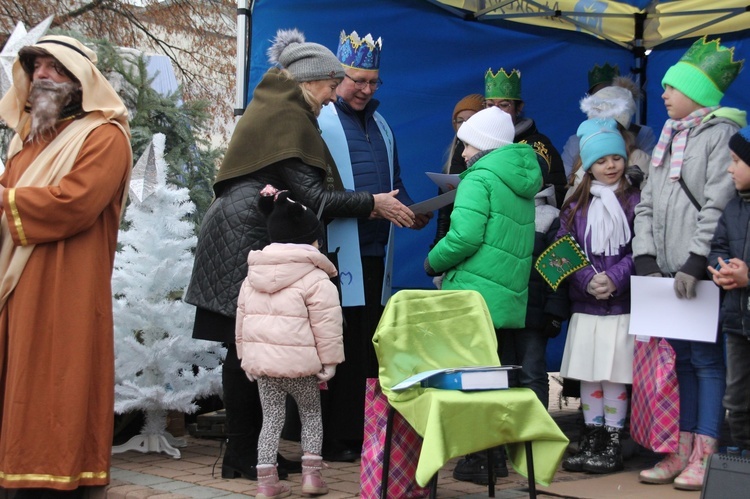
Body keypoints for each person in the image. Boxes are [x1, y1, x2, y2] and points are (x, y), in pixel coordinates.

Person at [184, 28, 416, 480]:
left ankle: (252, 454)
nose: (333, 97)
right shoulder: (289, 118)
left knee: (249, 351)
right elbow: (314, 197)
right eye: (332, 86)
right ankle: (242, 456)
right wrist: (373, 203)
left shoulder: (278, 107)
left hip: (242, 232)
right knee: (247, 353)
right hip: (244, 239)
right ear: (309, 81)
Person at [0, 35, 132, 496]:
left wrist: (4, 201)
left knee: (59, 380)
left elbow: (73, 204)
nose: (42, 74)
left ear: (79, 79)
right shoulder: (27, 142)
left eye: (55, 66)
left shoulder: (104, 136)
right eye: (36, 65)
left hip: (66, 286)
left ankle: (58, 481)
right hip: (15, 287)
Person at [633, 36, 745, 490]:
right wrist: (644, 253)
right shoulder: (667, 135)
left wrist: (698, 260)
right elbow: (647, 202)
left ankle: (706, 450)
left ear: (697, 93)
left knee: (706, 359)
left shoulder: (721, 137)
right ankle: (679, 449)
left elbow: (716, 204)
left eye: (671, 88)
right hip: (663, 273)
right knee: (678, 360)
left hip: (698, 272)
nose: (662, 95)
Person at [317, 29, 430, 461]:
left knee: (367, 347)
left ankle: (363, 431)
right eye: (356, 80)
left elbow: (393, 186)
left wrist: (410, 210)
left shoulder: (382, 125)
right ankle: (335, 438)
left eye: (373, 81)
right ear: (337, 76)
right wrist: (373, 207)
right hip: (334, 253)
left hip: (374, 252)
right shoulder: (321, 122)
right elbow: (316, 193)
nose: (365, 89)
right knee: (337, 347)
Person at [423, 106, 542, 483]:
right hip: (506, 296)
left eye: (467, 145)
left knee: (472, 379)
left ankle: (476, 457)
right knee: (499, 375)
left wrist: (433, 261)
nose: (462, 154)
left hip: (474, 296)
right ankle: (495, 456)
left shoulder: (478, 179)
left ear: (484, 144)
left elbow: (464, 237)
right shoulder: (520, 180)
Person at [236, 186, 345, 498]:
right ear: (311, 239)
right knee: (311, 415)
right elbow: (327, 325)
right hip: (301, 368)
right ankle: (311, 478)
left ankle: (266, 484)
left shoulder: (252, 275)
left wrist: (246, 357)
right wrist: (329, 362)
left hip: (265, 369)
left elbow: (242, 321)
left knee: (271, 420)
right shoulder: (315, 277)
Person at [556, 118, 640, 475]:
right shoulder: (576, 204)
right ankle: (591, 435)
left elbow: (643, 247)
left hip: (620, 307)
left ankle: (611, 441)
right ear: (588, 164)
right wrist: (587, 279)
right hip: (587, 306)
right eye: (602, 160)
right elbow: (563, 249)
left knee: (614, 376)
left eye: (616, 158)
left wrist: (615, 278)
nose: (610, 166)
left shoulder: (635, 201)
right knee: (590, 375)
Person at [707, 126, 750, 460]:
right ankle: (741, 456)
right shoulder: (733, 209)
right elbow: (717, 248)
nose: (729, 168)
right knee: (736, 398)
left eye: (736, 160)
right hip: (737, 323)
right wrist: (722, 271)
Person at [483, 67, 567, 207]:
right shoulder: (476, 142)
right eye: (490, 105)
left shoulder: (538, 144)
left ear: (519, 107)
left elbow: (554, 190)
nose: (495, 110)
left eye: (504, 105)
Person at [562, 69, 656, 179]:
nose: (610, 165)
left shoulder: (639, 156)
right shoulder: (578, 148)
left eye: (616, 159)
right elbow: (571, 186)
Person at [565, 82, 651, 199]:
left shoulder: (639, 160)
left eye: (616, 159)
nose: (610, 165)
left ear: (619, 127)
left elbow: (647, 203)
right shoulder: (585, 157)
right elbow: (571, 204)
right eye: (600, 162)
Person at [432, 93, 484, 265]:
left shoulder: (490, 155)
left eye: (471, 119)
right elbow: (444, 213)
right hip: (453, 240)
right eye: (460, 120)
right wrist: (437, 245)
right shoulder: (452, 156)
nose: (465, 125)